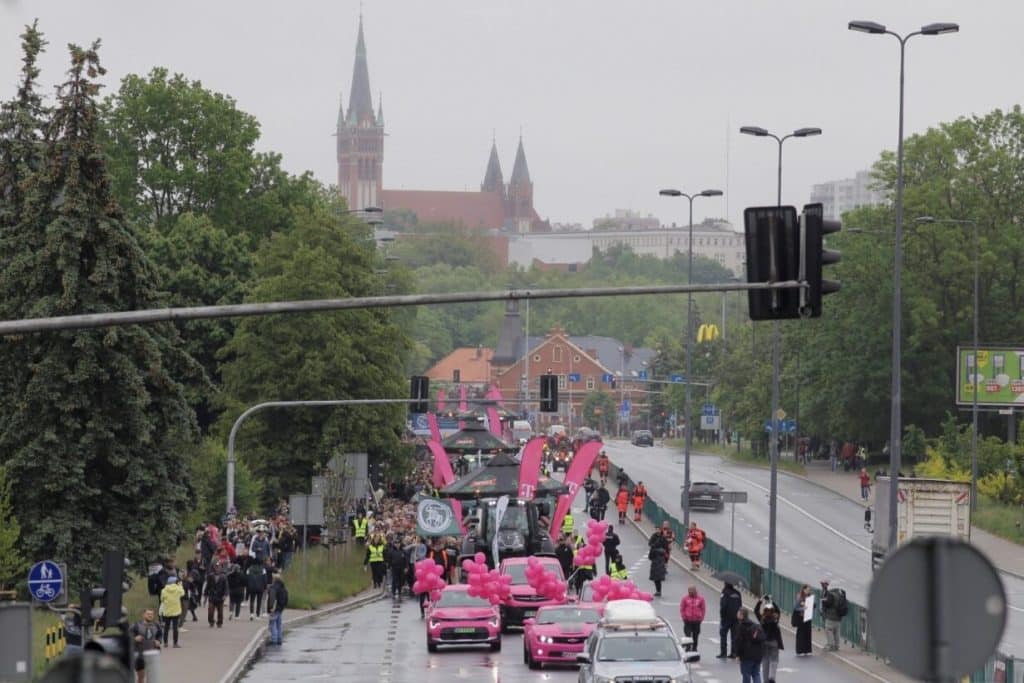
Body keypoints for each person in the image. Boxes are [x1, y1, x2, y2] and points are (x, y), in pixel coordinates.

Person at [755, 595, 784, 683]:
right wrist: (771, 601)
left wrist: (760, 601)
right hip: (774, 642)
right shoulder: (775, 618)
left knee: (765, 661)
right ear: (772, 611)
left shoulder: (762, 619)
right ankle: (772, 676)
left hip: (764, 642)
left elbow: (755, 611)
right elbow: (778, 611)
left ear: (764, 611)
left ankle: (766, 680)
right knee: (774, 660)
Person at [129, 608, 162, 683]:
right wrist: (134, 638)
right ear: (143, 615)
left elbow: (160, 635)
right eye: (148, 614)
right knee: (141, 676)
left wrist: (159, 641)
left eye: (151, 614)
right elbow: (127, 636)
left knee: (152, 676)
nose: (150, 616)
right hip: (140, 654)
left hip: (152, 654)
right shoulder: (136, 625)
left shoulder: (156, 625)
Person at [735, 607, 765, 683]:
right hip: (758, 655)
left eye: (738, 613)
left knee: (746, 674)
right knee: (756, 674)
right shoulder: (754, 625)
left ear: (742, 615)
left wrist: (738, 655)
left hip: (747, 656)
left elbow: (739, 642)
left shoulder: (741, 626)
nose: (737, 614)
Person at [717, 582, 742, 659]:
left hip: (726, 618)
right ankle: (734, 653)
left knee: (723, 634)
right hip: (736, 618)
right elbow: (740, 605)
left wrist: (722, 615)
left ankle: (723, 652)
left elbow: (723, 605)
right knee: (734, 635)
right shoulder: (738, 593)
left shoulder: (724, 593)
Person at [158, 575, 184, 648]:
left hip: (167, 611)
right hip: (176, 611)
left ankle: (165, 643)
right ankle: (175, 643)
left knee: (166, 627)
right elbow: (183, 594)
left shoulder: (163, 590)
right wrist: (180, 586)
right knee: (175, 628)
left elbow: (162, 599)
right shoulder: (178, 589)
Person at [820, 580, 845, 651]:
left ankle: (831, 645)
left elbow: (827, 603)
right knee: (836, 631)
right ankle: (837, 645)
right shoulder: (840, 593)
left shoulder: (831, 594)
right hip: (839, 616)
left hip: (831, 615)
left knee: (829, 630)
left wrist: (823, 599)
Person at [679, 585, 706, 651]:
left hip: (696, 620)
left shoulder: (700, 599)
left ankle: (694, 647)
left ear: (695, 591)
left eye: (692, 590)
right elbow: (682, 608)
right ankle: (688, 647)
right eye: (689, 591)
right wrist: (683, 617)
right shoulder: (685, 598)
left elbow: (703, 609)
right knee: (687, 635)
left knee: (695, 635)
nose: (690, 592)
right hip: (687, 620)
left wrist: (701, 618)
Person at [267, 572, 288, 646]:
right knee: (279, 624)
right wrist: (284, 606)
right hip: (280, 608)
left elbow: (272, 598)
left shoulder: (273, 588)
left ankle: (274, 639)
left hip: (274, 608)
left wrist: (271, 607)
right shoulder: (283, 587)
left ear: (274, 579)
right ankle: (279, 639)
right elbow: (286, 598)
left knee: (272, 624)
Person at [792, 585, 814, 656]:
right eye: (807, 590)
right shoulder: (799, 597)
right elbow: (796, 607)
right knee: (801, 634)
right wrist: (803, 608)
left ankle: (807, 650)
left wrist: (813, 605)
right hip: (801, 618)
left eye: (809, 590)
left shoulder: (809, 597)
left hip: (808, 618)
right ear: (804, 590)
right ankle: (800, 650)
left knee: (808, 634)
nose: (809, 591)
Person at [204, 563, 228, 628]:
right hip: (212, 597)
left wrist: (225, 595)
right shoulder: (210, 576)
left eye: (219, 567)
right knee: (210, 611)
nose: (217, 568)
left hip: (220, 597)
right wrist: (205, 596)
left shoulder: (223, 577)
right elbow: (207, 586)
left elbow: (226, 587)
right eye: (216, 567)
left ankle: (219, 623)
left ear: (221, 568)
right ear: (214, 568)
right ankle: (211, 621)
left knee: (220, 612)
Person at [245, 555, 267, 619]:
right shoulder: (263, 569)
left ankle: (251, 614)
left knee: (252, 600)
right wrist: (265, 587)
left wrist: (247, 586)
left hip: (251, 587)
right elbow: (265, 579)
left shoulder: (249, 569)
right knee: (259, 601)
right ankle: (257, 615)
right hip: (260, 587)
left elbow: (247, 578)